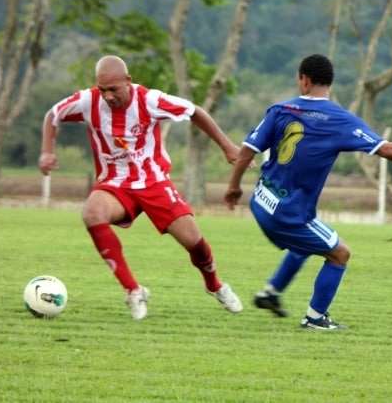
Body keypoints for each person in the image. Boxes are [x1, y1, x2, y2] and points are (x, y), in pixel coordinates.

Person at [224, 54, 392, 330]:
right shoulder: (339, 119)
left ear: (304, 80)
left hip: (261, 202)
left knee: (308, 243)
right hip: (289, 213)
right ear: (329, 83)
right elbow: (388, 149)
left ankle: (271, 293)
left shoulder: (280, 109)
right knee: (340, 253)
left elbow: (246, 152)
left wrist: (233, 187)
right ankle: (315, 318)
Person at [38, 55, 243, 320]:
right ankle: (133, 290)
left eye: (114, 89)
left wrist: (227, 147)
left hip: (153, 182)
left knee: (194, 242)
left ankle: (215, 285)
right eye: (103, 90)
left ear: (128, 81)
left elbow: (195, 112)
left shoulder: (150, 100)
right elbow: (52, 115)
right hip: (115, 185)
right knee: (92, 213)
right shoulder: (89, 101)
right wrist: (46, 151)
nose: (108, 96)